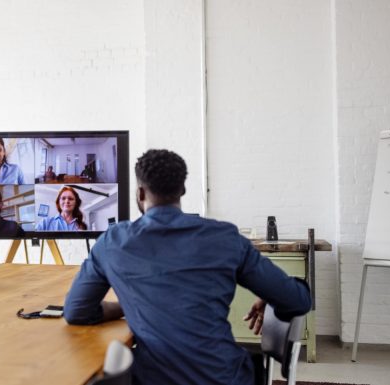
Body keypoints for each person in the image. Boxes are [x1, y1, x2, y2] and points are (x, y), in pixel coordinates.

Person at [63, 149, 311, 385]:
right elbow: (298, 301)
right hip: (226, 378)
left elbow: (76, 312)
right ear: (182, 189)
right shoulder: (225, 238)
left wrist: (126, 306)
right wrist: (272, 295)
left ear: (140, 193)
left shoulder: (113, 242)